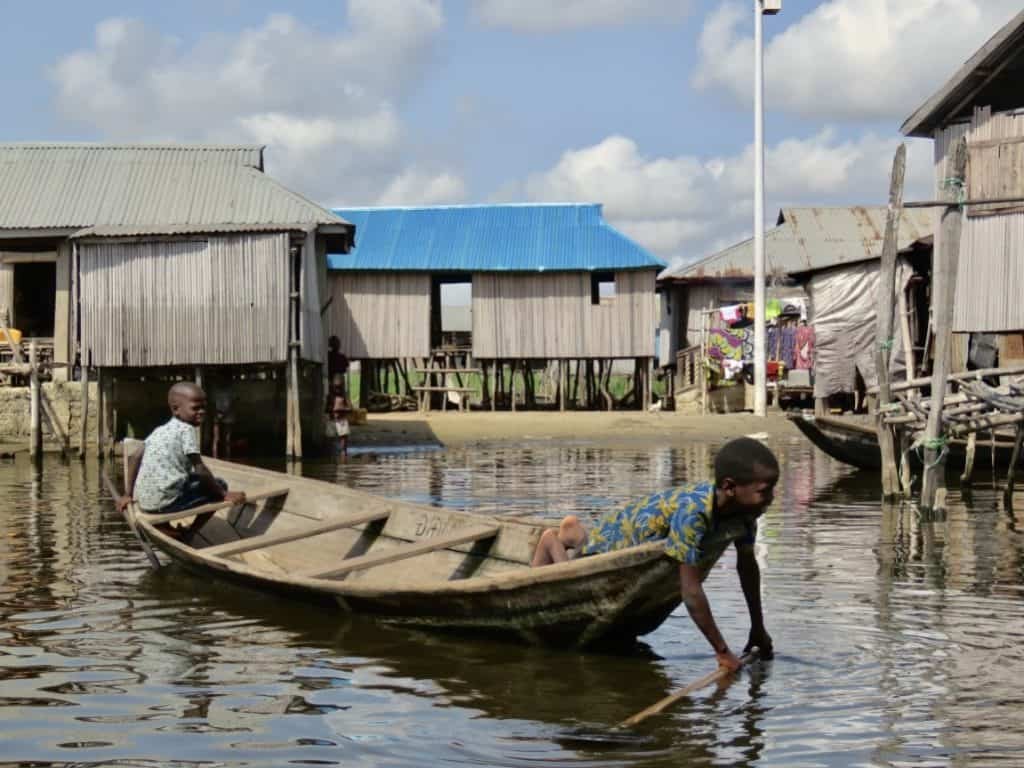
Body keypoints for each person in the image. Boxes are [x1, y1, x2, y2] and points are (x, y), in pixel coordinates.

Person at [532, 437, 778, 672]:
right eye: (764, 491)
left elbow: (747, 568)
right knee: (571, 581)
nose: (771, 499)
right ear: (729, 487)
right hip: (613, 548)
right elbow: (690, 591)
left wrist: (758, 627)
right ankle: (551, 542)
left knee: (588, 546)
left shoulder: (745, 514)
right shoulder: (694, 514)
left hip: (622, 531)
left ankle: (575, 534)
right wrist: (722, 651)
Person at [117, 382, 246, 541]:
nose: (202, 412)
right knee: (220, 484)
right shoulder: (187, 430)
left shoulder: (161, 430)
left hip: (145, 501)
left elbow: (135, 457)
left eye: (203, 407)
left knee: (191, 479)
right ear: (176, 409)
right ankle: (190, 532)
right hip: (164, 503)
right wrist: (223, 494)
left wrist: (127, 494)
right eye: (195, 408)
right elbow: (200, 468)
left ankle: (164, 526)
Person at [324, 386, 352, 459]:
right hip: (332, 421)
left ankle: (343, 453)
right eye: (336, 388)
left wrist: (340, 409)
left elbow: (350, 408)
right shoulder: (330, 396)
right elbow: (326, 409)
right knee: (330, 439)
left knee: (343, 438)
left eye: (339, 388)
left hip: (342, 420)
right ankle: (331, 455)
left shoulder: (344, 396)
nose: (337, 390)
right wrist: (331, 409)